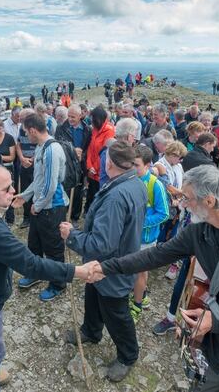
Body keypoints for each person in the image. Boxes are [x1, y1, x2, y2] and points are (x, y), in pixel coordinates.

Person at [86, 165, 219, 391]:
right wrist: (104, 267)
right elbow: (154, 255)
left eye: (186, 198)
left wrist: (218, 321)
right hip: (216, 354)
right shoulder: (199, 232)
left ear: (209, 201)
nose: (182, 204)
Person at [0, 164, 93, 391]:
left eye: (12, 185)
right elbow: (31, 265)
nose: (13, 191)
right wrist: (77, 271)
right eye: (7, 188)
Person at [57, 141, 146, 383]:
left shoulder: (117, 196)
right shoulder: (134, 182)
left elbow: (101, 244)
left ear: (109, 162)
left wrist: (72, 236)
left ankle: (128, 355)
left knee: (116, 312)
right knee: (93, 295)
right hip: (111, 261)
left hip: (111, 267)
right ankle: (91, 330)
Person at [12, 114, 70, 302]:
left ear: (33, 130)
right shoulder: (40, 147)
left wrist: (36, 206)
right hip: (41, 206)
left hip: (52, 208)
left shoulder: (52, 150)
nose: (26, 137)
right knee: (34, 243)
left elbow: (51, 185)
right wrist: (24, 195)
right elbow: (38, 181)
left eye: (26, 133)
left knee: (53, 249)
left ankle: (58, 283)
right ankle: (36, 273)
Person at [129, 145, 170, 322]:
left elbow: (164, 213)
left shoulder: (155, 184)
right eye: (130, 163)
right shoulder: (130, 180)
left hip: (146, 238)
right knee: (135, 271)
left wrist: (139, 223)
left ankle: (136, 306)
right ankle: (142, 295)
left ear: (147, 165)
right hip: (130, 236)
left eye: (136, 165)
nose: (132, 168)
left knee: (140, 272)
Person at [55, 104, 91, 222]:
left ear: (80, 116)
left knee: (78, 193)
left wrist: (82, 155)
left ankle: (75, 218)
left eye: (73, 117)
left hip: (80, 165)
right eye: (69, 116)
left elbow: (88, 148)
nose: (70, 119)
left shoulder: (87, 129)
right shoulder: (61, 128)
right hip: (66, 165)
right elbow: (58, 145)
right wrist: (72, 152)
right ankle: (62, 217)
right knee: (64, 190)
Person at [84, 106, 115, 213]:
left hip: (100, 172)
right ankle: (87, 212)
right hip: (92, 170)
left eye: (93, 119)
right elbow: (90, 149)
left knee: (98, 195)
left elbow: (104, 153)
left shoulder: (109, 131)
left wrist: (95, 168)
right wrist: (89, 165)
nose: (91, 122)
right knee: (90, 194)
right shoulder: (95, 130)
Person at [0, 118, 17, 224]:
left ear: (3, 128)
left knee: (8, 193)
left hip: (8, 168)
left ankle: (10, 219)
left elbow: (12, 157)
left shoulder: (9, 138)